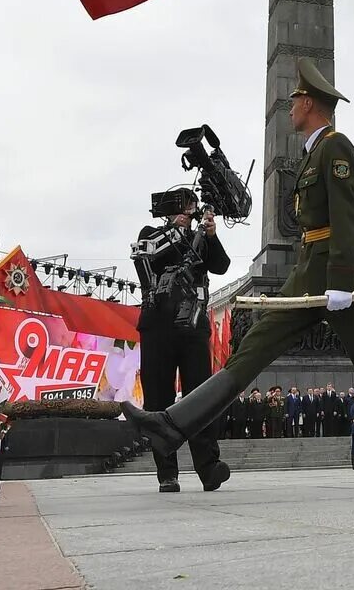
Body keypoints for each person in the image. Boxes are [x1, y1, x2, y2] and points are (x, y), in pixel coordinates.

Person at [121, 59, 354, 494]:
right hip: (308, 270)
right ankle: (173, 426)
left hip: (332, 271)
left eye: (295, 100)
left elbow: (346, 217)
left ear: (309, 102)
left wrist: (341, 281)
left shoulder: (336, 148)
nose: (289, 107)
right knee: (253, 347)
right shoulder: (313, 153)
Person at [132, 197, 231, 493]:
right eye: (182, 208)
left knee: (200, 397)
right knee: (157, 397)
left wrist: (211, 235)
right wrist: (176, 229)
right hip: (157, 327)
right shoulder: (151, 233)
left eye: (190, 208)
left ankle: (208, 468)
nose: (187, 214)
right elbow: (146, 257)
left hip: (193, 326)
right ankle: (167, 472)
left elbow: (222, 266)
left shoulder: (199, 238)